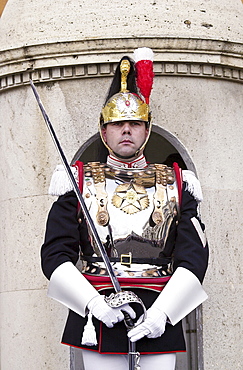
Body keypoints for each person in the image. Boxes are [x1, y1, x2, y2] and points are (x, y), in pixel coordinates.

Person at [41, 47, 209, 370]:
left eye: (134, 122)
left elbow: (194, 256)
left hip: (159, 306)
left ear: (147, 130)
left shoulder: (177, 183)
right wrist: (92, 304)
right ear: (104, 132)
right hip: (100, 313)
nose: (127, 130)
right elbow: (54, 255)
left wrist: (163, 314)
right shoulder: (76, 181)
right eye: (119, 124)